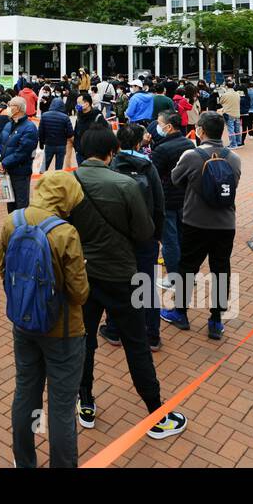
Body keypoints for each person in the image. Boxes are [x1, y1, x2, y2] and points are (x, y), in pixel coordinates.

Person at [70, 125, 188, 439]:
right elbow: (144, 232)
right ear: (112, 153)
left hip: (84, 273)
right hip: (124, 275)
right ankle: (155, 412)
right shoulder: (125, 184)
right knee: (136, 344)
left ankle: (85, 401)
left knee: (85, 340)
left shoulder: (70, 181)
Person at [0, 172, 90, 468]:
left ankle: (24, 460)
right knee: (62, 407)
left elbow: (4, 271)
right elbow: (79, 294)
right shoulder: (65, 233)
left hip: (23, 323)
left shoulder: (12, 221)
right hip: (63, 331)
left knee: (26, 392)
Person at [162, 112, 242, 341]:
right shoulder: (234, 158)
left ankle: (180, 313)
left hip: (195, 221)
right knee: (221, 269)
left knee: (188, 267)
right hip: (226, 223)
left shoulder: (191, 155)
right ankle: (216, 320)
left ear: (201, 131)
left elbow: (176, 179)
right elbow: (232, 184)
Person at [99, 122, 166, 350]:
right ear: (139, 143)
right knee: (146, 283)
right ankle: (151, 334)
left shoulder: (111, 167)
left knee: (116, 284)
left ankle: (114, 330)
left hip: (116, 238)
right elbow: (159, 205)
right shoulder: (148, 166)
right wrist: (157, 235)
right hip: (145, 236)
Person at [148, 111, 194, 291]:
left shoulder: (162, 149)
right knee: (182, 237)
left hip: (167, 198)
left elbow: (154, 176)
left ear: (168, 127)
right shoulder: (188, 143)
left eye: (159, 123)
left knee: (169, 240)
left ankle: (174, 278)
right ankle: (186, 273)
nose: (156, 126)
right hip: (185, 197)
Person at [0, 95, 38, 213]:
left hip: (20, 173)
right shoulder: (8, 125)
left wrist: (4, 163)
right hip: (7, 172)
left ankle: (21, 230)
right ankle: (12, 228)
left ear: (17, 108)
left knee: (21, 206)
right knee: (10, 205)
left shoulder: (30, 128)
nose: (7, 108)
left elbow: (22, 152)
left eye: (10, 105)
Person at [38, 91, 73, 171]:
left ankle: (42, 179)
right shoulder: (65, 117)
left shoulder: (44, 116)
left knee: (45, 165)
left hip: (49, 144)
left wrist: (41, 144)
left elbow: (41, 132)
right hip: (61, 145)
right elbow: (70, 133)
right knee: (59, 168)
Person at [217, 80, 243, 149]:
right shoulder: (237, 94)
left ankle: (233, 144)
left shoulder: (225, 95)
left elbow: (220, 102)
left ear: (226, 86)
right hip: (237, 113)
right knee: (237, 129)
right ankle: (239, 142)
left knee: (231, 129)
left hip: (228, 113)